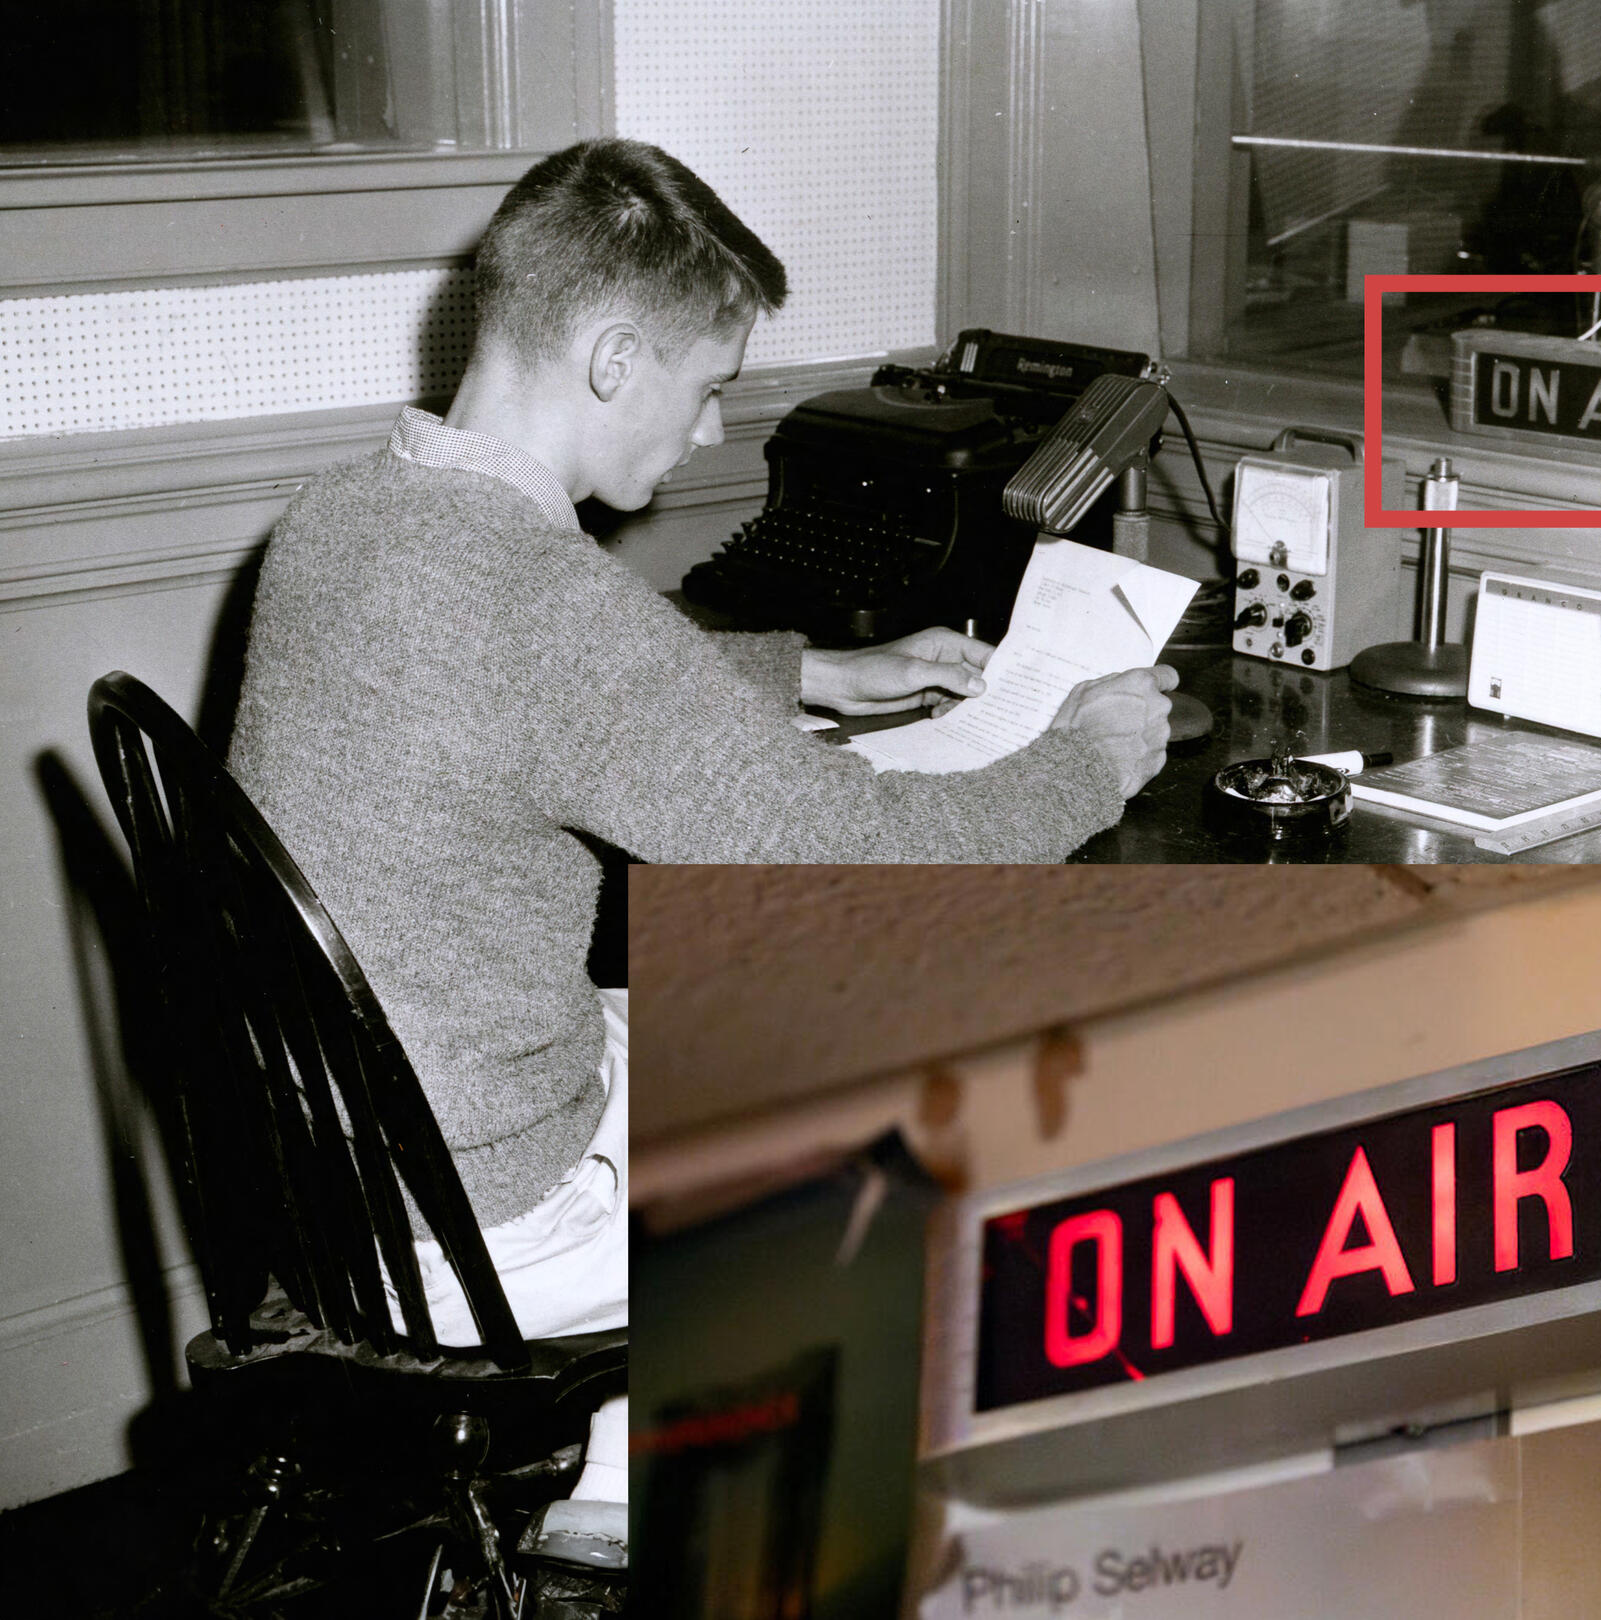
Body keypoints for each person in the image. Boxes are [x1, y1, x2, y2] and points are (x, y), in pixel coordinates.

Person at [225, 139, 1174, 1496]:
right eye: (710, 385)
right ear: (614, 357)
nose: (714, 431)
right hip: (480, 1228)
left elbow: (509, 692)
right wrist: (1092, 760)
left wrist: (807, 668)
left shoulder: (347, 515)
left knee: (729, 1005)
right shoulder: (538, 605)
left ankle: (615, 1491)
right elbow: (872, 857)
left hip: (327, 1171)